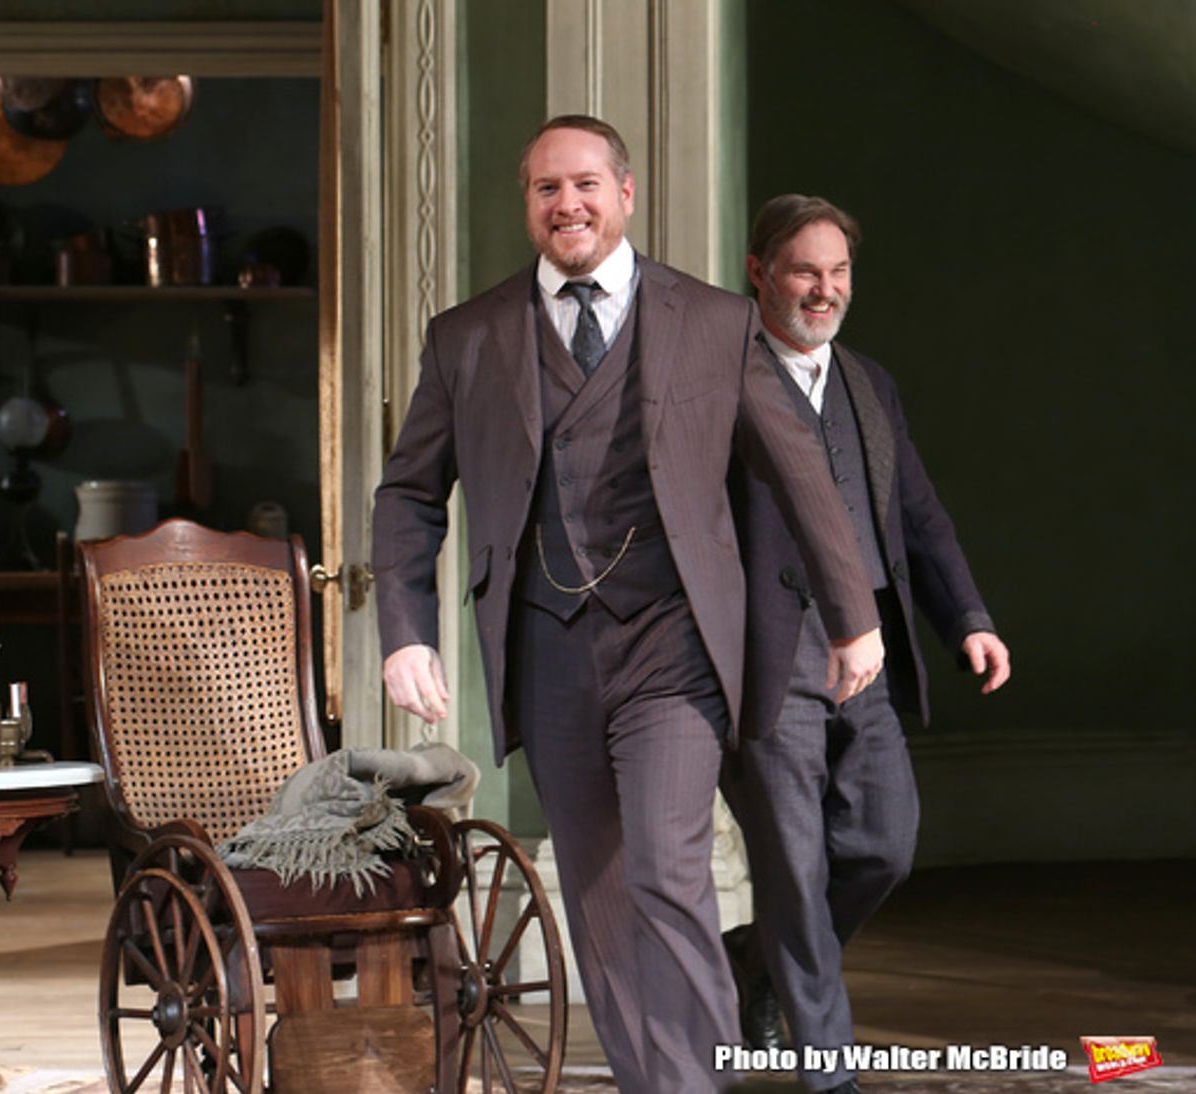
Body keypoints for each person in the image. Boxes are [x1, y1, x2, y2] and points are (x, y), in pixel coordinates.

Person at [372, 117, 886, 1093]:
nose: (566, 204)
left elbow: (800, 472)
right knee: (601, 894)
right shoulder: (466, 337)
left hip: (673, 647)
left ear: (624, 193)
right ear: (526, 202)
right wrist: (405, 632)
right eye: (544, 189)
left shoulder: (712, 321)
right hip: (545, 649)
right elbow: (405, 492)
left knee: (666, 867)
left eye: (584, 185)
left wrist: (851, 612)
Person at [720, 194, 1012, 1094]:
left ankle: (755, 960)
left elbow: (918, 518)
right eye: (806, 270)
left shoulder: (868, 384)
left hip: (869, 655)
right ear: (760, 272)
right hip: (763, 660)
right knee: (796, 871)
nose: (826, 289)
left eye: (839, 271)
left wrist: (968, 618)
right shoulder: (717, 380)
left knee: (886, 844)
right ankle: (829, 1073)